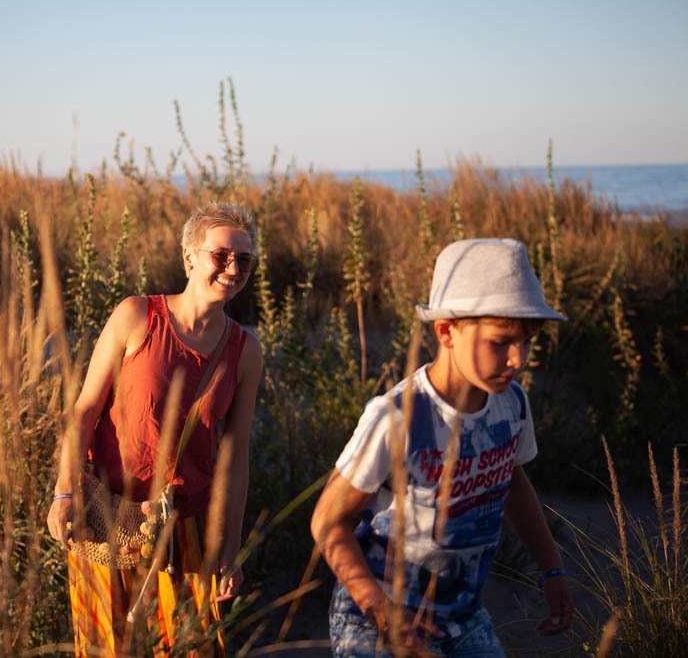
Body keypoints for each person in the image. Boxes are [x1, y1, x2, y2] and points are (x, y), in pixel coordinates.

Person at [310, 238, 573, 657]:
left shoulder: (512, 403)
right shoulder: (397, 416)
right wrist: (381, 612)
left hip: (463, 615)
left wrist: (552, 568)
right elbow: (328, 521)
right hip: (376, 617)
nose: (518, 359)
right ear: (447, 331)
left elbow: (513, 484)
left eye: (527, 341)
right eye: (500, 342)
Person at [46, 202, 263, 656]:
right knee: (106, 648)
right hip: (108, 521)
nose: (232, 268)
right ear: (189, 257)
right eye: (221, 256)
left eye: (244, 260)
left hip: (186, 529)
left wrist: (230, 549)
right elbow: (84, 410)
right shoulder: (137, 316)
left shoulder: (245, 351)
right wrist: (65, 492)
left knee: (191, 649)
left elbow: (235, 456)